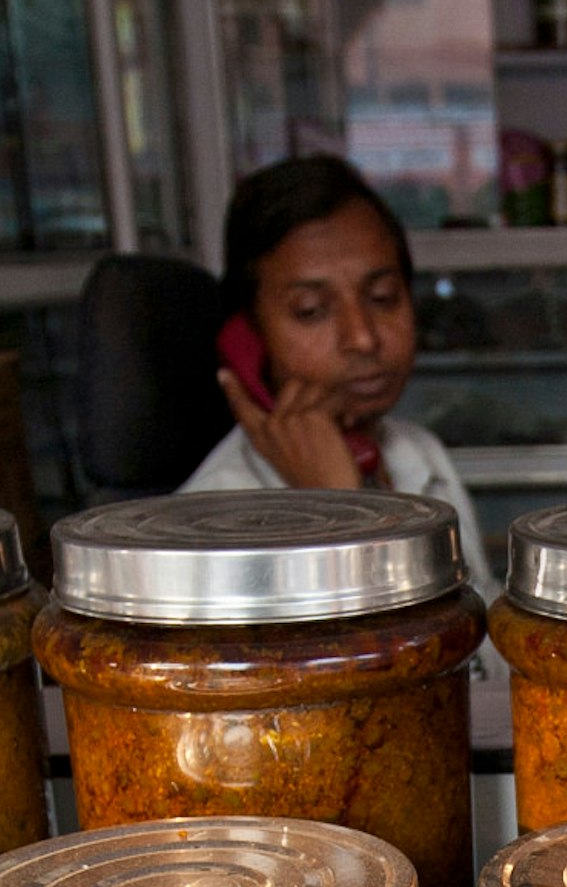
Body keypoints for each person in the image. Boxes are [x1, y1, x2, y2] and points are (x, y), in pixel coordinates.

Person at [184, 154, 486, 587]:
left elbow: (482, 653)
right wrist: (341, 508)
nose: (363, 337)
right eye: (311, 311)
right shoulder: (210, 530)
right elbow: (389, 652)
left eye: (382, 298)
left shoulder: (419, 455)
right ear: (249, 338)